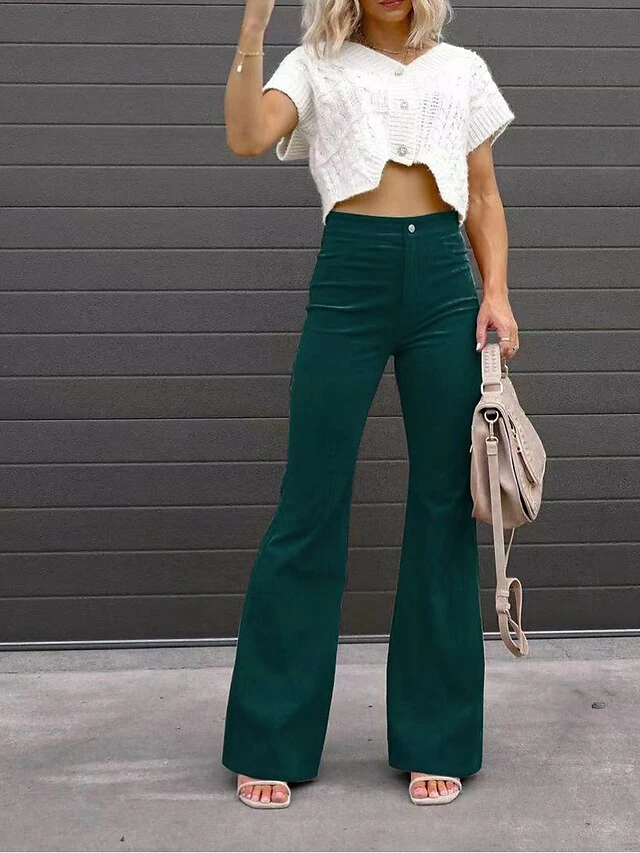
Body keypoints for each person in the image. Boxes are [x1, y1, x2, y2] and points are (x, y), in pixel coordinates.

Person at [222, 0, 520, 809]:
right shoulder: (315, 64)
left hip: (443, 285)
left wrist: (495, 291)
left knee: (442, 505)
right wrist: (253, 28)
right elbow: (246, 135)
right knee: (309, 501)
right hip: (349, 276)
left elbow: (483, 196)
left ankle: (437, 736)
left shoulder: (462, 70)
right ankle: (270, 738)